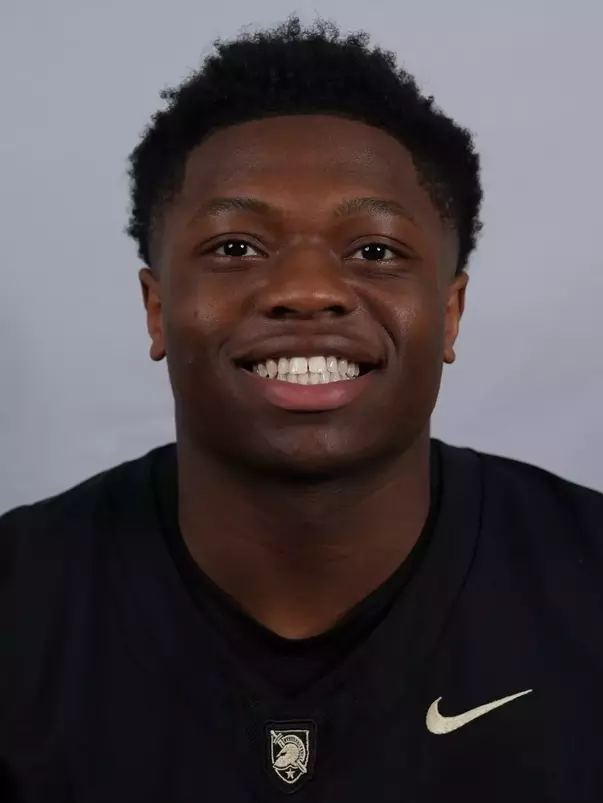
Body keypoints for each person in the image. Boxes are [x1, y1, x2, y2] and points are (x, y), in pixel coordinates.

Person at [1, 16, 602, 803]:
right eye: (235, 248)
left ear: (449, 314)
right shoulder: (20, 600)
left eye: (375, 251)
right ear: (156, 308)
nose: (307, 290)